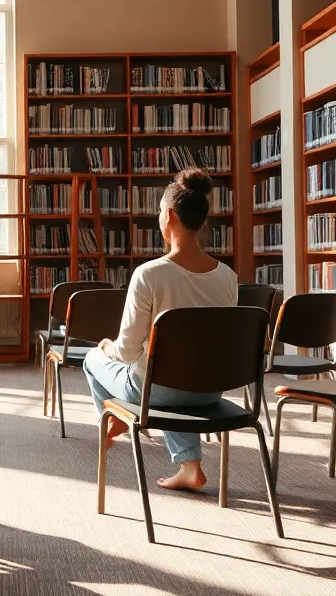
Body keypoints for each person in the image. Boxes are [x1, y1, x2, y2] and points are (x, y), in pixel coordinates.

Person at [82, 168, 238, 491]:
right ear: (201, 221)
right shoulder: (228, 277)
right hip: (210, 388)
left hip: (160, 390)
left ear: (168, 217)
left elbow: (126, 352)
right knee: (178, 369)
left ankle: (113, 421)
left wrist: (107, 346)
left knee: (93, 358)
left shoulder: (148, 275)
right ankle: (190, 465)